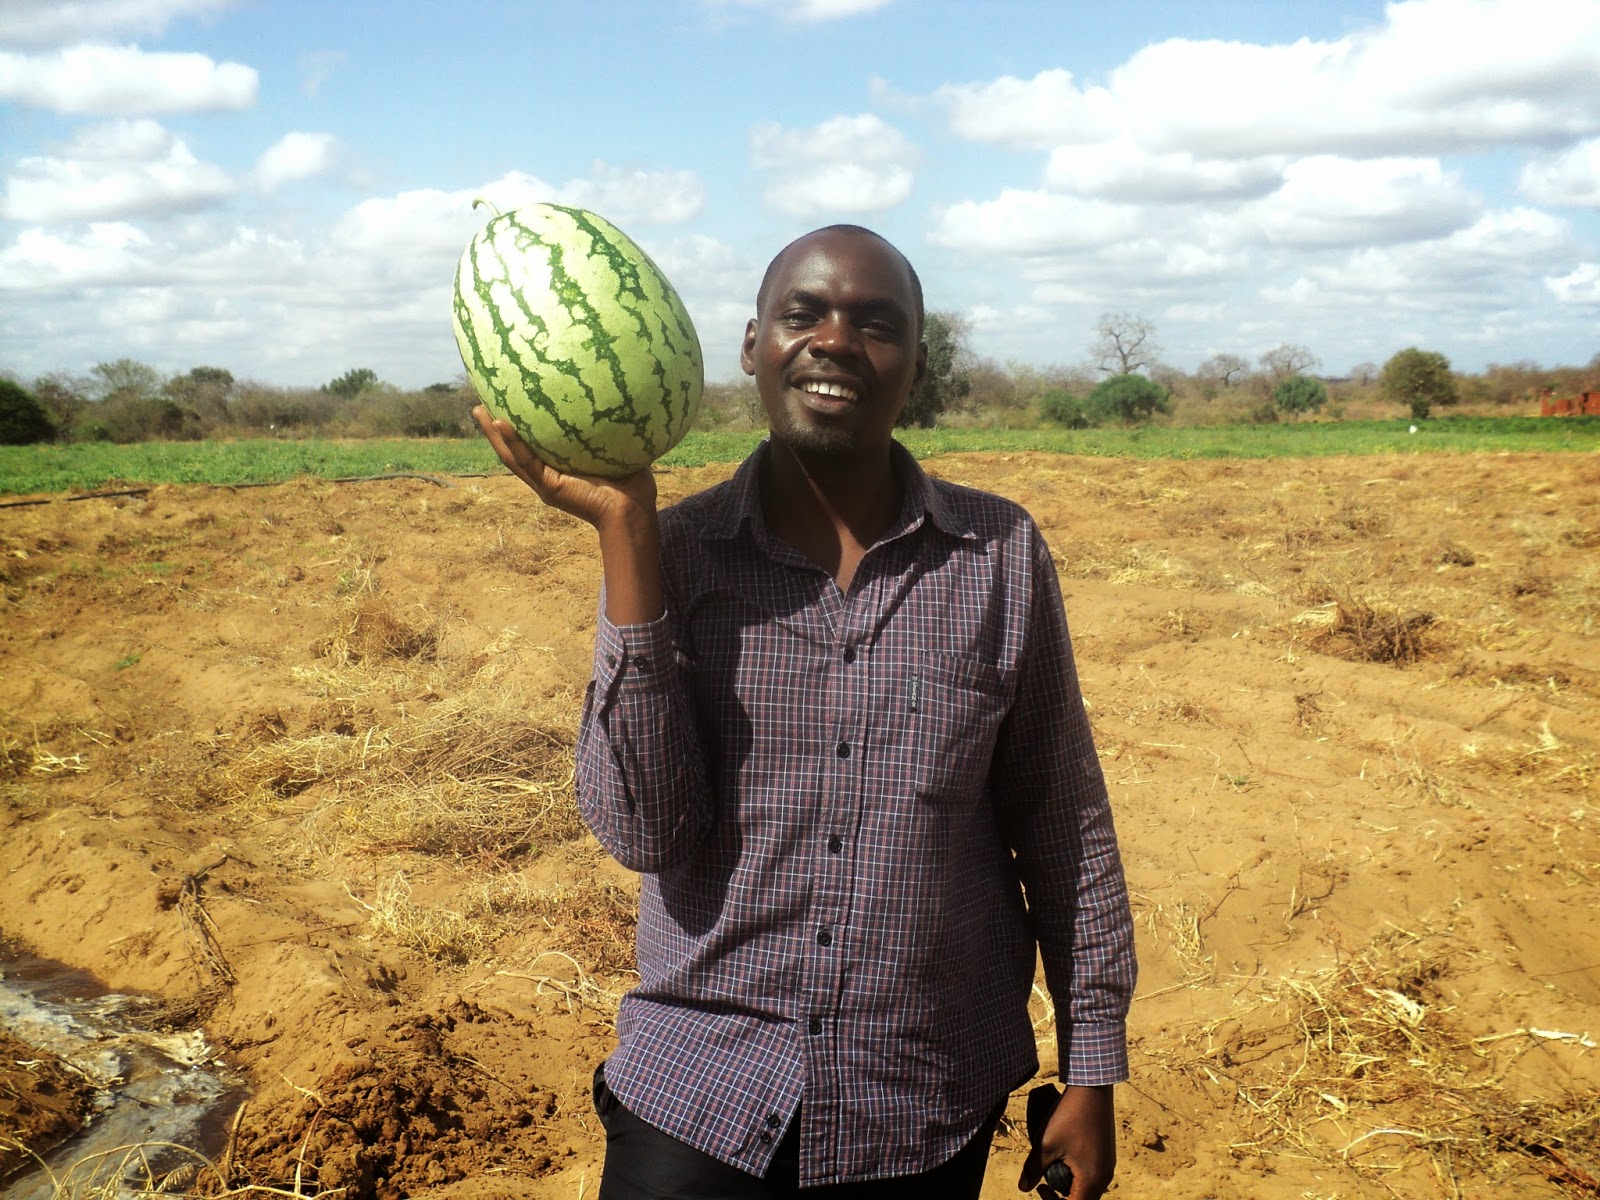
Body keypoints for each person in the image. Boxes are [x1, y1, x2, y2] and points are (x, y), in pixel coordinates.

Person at [475, 224, 1136, 1199]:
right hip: (699, 1082)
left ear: (917, 363)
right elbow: (644, 829)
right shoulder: (683, 553)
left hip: (916, 1098)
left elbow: (1061, 823)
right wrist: (626, 531)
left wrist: (1092, 1068)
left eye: (875, 323)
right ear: (752, 347)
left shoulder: (997, 557)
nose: (835, 338)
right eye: (803, 314)